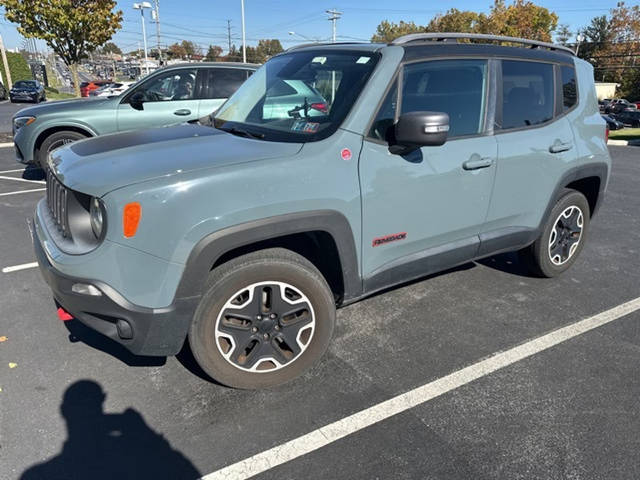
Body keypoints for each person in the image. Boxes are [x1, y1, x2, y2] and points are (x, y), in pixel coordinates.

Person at [21, 380, 200, 480]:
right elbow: (186, 470)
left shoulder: (38, 474)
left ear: (64, 411)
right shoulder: (138, 448)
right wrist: (147, 435)